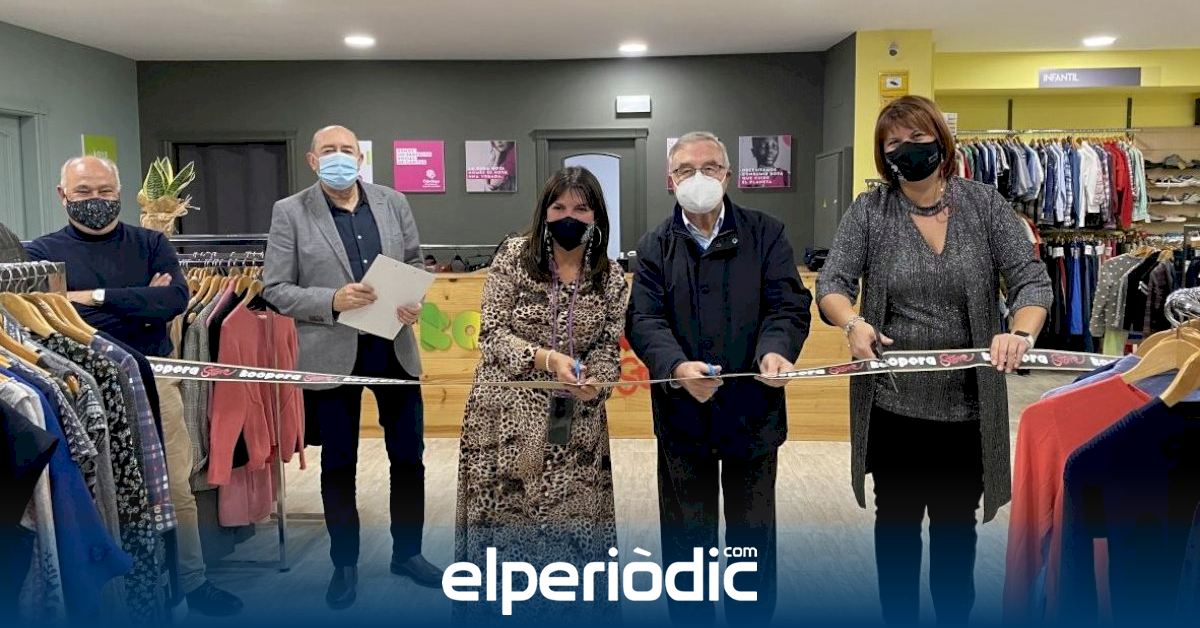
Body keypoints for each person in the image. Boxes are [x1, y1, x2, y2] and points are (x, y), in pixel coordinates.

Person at [815, 95, 1053, 626]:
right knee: (896, 528)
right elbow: (832, 282)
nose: (907, 150)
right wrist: (852, 323)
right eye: (894, 143)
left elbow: (1031, 280)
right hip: (892, 404)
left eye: (918, 139)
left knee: (955, 531)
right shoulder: (870, 210)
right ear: (883, 154)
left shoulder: (984, 205)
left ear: (941, 142)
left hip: (967, 408)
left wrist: (1019, 331)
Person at [25, 155, 244, 616]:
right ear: (62, 195)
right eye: (83, 191)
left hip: (155, 376)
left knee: (176, 486)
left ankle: (192, 581)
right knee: (100, 488)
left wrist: (92, 298)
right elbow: (50, 318)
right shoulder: (41, 253)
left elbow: (173, 301)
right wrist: (137, 300)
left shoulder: (150, 243)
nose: (96, 200)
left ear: (120, 193)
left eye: (105, 190)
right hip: (80, 383)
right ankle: (122, 590)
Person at [627, 131, 811, 625]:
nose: (698, 177)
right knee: (687, 540)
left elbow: (788, 304)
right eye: (686, 170)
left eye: (709, 167)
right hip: (683, 417)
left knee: (752, 539)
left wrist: (776, 350)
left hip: (753, 412)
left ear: (728, 175)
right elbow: (644, 320)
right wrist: (675, 367)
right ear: (670, 181)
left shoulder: (766, 233)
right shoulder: (654, 246)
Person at [263, 125, 441, 610]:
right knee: (339, 463)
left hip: (393, 348)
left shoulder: (392, 202)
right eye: (329, 150)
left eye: (347, 150)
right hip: (330, 353)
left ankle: (408, 553)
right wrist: (332, 300)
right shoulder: (290, 212)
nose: (338, 157)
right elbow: (275, 288)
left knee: (409, 456)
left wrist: (414, 300)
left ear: (360, 158)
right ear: (312, 160)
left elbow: (414, 262)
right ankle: (345, 565)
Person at [454, 166, 626, 621]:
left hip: (576, 425)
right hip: (504, 421)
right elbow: (492, 334)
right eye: (559, 206)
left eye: (581, 208)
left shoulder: (609, 276)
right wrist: (547, 359)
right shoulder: (514, 256)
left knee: (572, 528)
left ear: (596, 215)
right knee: (506, 531)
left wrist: (597, 383)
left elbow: (608, 345)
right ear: (544, 211)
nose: (569, 216)